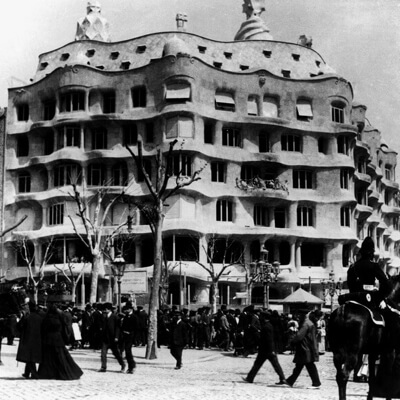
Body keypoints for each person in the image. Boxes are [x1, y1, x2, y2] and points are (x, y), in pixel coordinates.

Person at [38, 303, 83, 380]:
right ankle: (66, 372)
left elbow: (43, 330)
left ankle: (48, 373)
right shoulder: (60, 318)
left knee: (48, 358)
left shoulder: (46, 319)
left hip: (48, 339)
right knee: (61, 357)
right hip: (58, 339)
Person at [242, 311, 288, 385]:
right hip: (266, 349)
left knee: (261, 364)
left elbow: (269, 339)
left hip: (266, 350)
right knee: (264, 364)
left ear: (264, 317)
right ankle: (250, 378)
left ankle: (250, 378)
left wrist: (271, 350)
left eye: (261, 316)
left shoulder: (267, 326)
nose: (260, 317)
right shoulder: (268, 325)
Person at [347, 236, 391, 301]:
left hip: (354, 298)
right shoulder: (374, 266)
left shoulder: (352, 267)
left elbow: (350, 284)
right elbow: (386, 284)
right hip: (370, 299)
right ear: (371, 253)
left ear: (361, 252)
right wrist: (379, 296)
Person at [286, 310, 321, 389]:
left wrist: (292, 341)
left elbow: (299, 336)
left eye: (299, 315)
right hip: (307, 347)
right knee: (300, 365)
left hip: (305, 347)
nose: (298, 317)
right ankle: (290, 381)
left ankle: (316, 383)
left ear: (303, 315)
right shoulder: (309, 323)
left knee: (308, 365)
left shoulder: (305, 324)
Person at [16, 301, 44, 379]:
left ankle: (34, 374)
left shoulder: (26, 317)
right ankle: (27, 373)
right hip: (37, 340)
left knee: (29, 357)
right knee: (31, 357)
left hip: (27, 339)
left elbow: (18, 326)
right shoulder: (40, 318)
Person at [98, 302, 126, 373]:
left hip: (112, 338)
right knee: (103, 354)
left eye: (105, 309)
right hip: (105, 338)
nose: (104, 311)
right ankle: (103, 367)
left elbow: (117, 328)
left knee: (116, 354)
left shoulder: (115, 317)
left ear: (108, 309)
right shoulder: (103, 316)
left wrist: (116, 337)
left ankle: (123, 365)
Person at [120, 301, 139, 374]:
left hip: (130, 336)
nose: (125, 311)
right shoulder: (126, 317)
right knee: (126, 352)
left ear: (130, 309)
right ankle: (131, 366)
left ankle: (132, 366)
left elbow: (136, 328)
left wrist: (134, 338)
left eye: (127, 309)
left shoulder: (134, 317)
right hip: (125, 336)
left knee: (128, 351)